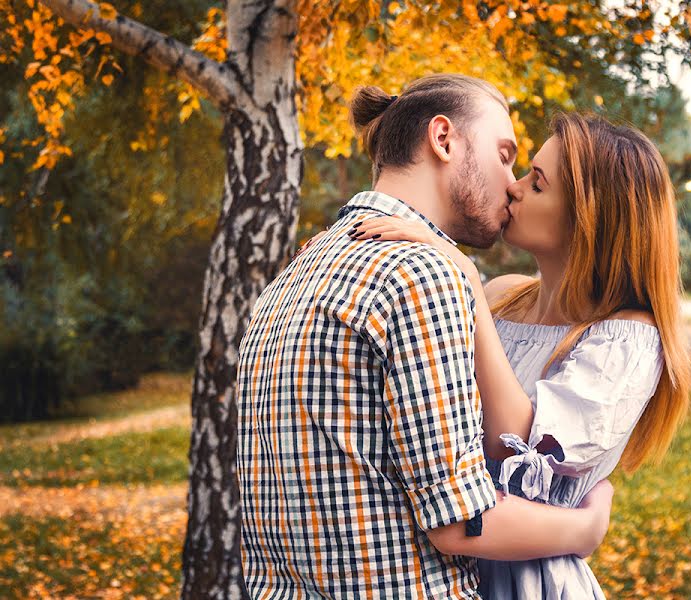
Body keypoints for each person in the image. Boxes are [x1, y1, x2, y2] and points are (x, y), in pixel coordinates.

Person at [236, 74, 615, 599]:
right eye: (504, 155)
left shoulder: (294, 276)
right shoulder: (424, 275)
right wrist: (584, 528)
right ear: (443, 140)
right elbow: (460, 522)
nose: (511, 183)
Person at [346, 111, 691, 598]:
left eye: (538, 183)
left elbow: (514, 447)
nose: (514, 188)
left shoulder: (627, 340)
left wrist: (465, 278)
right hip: (437, 566)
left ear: (591, 217)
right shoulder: (504, 295)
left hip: (527, 580)